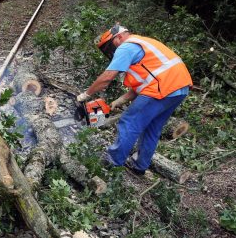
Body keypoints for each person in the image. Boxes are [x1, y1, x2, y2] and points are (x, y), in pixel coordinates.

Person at [76, 24, 192, 175]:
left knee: (129, 121)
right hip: (179, 88)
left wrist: (86, 94)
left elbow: (107, 77)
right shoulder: (141, 44)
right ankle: (139, 166)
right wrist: (119, 101)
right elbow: (142, 86)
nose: (111, 50)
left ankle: (113, 162)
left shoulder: (127, 46)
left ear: (119, 37)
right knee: (152, 127)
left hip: (163, 86)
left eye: (110, 45)